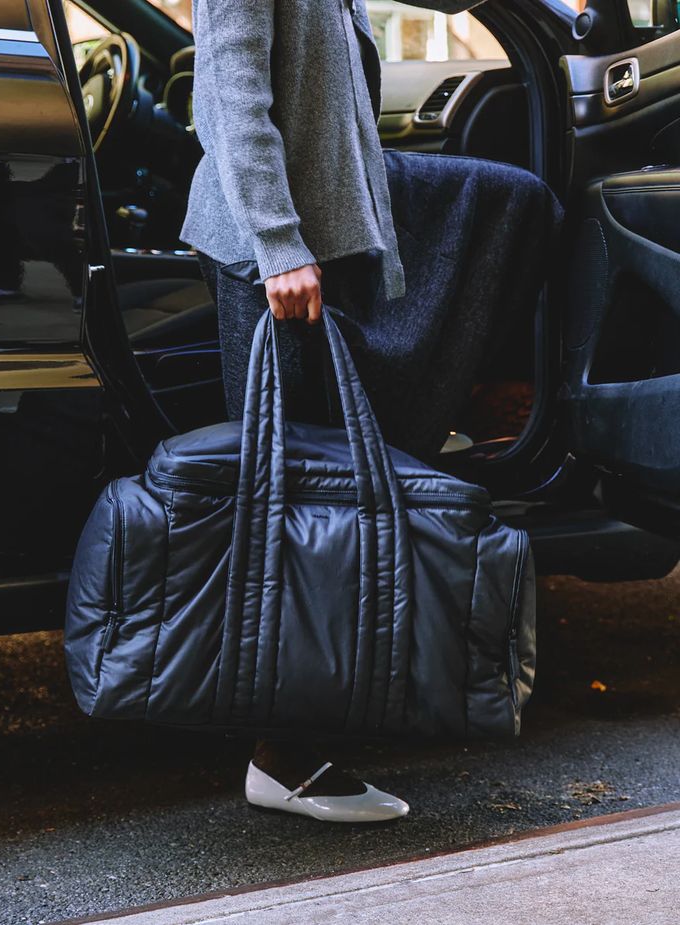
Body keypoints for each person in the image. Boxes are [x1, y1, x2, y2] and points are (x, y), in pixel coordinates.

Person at [178, 0, 509, 823]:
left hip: (319, 242)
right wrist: (279, 241)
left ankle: (311, 731)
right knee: (290, 503)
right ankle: (284, 754)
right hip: (277, 257)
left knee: (314, 495)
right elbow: (230, 89)